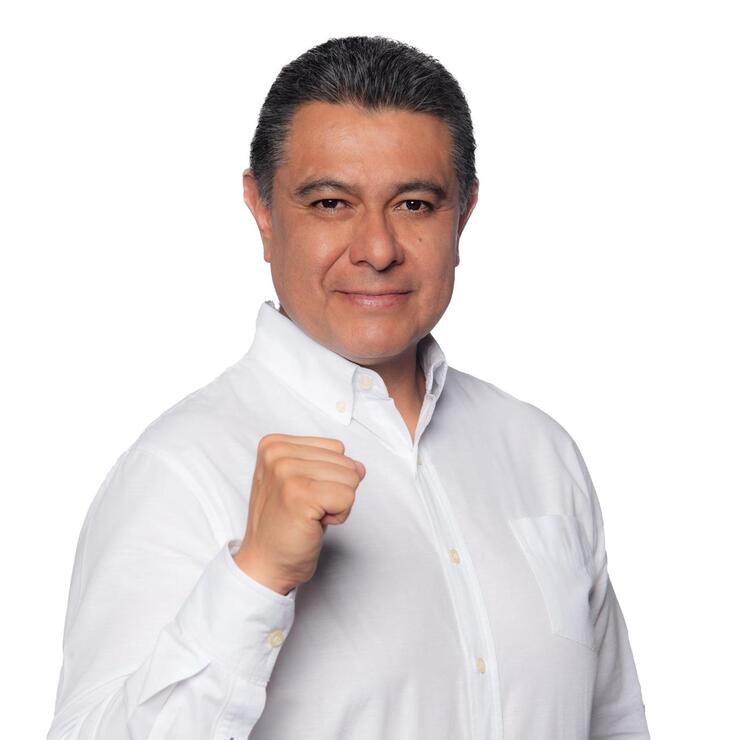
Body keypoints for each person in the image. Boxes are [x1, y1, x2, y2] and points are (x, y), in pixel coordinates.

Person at [47, 35, 650, 739]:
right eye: (331, 203)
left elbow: (616, 724)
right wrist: (254, 577)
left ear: (464, 214)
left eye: (415, 204)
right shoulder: (178, 472)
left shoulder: (541, 453)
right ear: (262, 211)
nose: (378, 249)